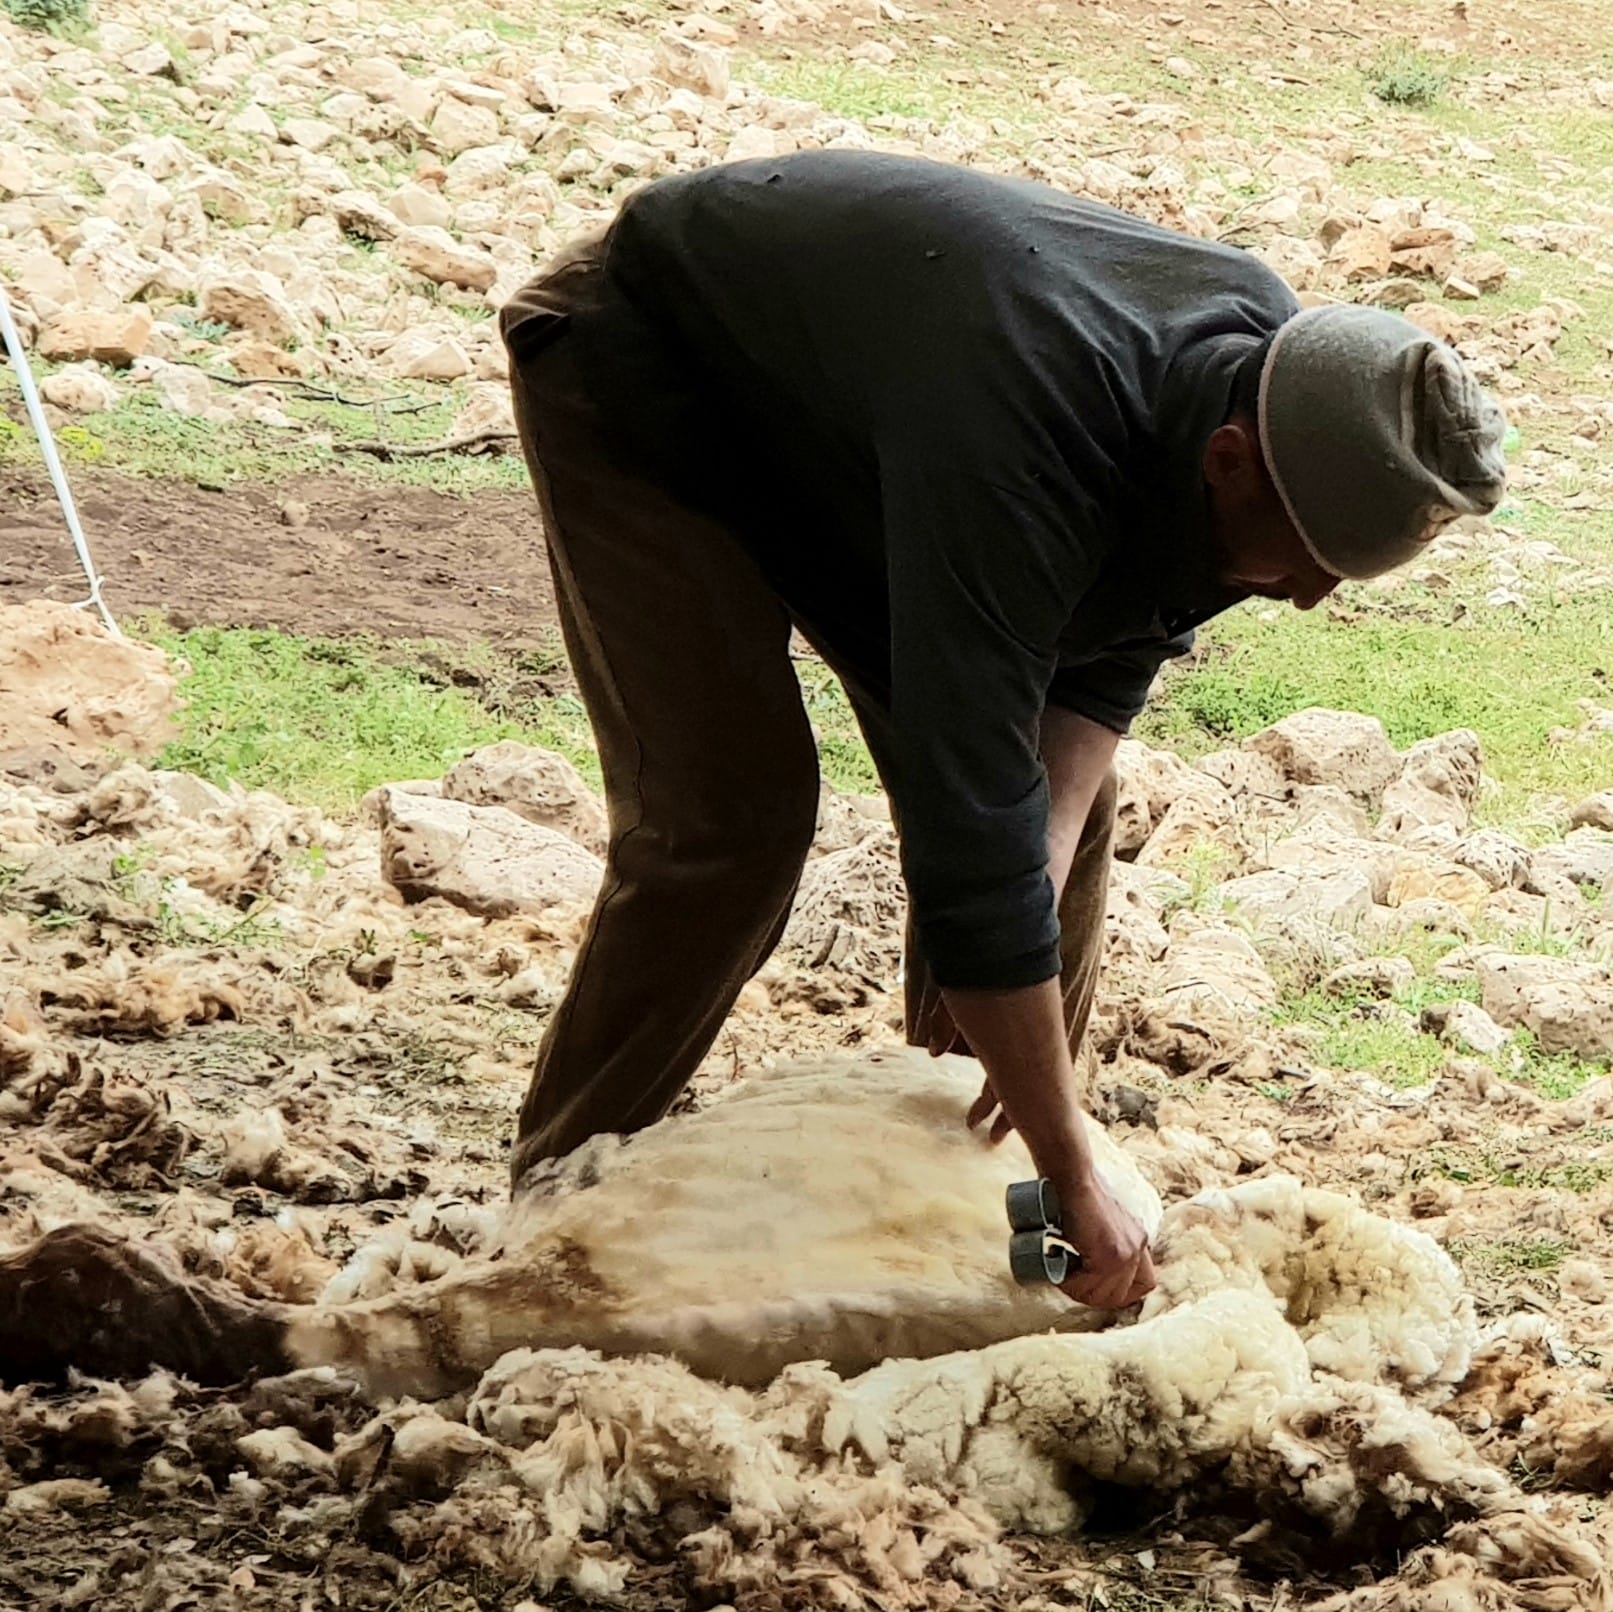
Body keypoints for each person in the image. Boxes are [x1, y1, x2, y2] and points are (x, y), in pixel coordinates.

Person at [497, 150, 1509, 1311]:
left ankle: (985, 1219)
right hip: (651, 371)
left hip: (859, 436)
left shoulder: (1274, 395)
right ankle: (552, 1215)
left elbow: (1116, 647)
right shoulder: (1025, 438)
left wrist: (1039, 849)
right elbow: (963, 812)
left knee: (1052, 830)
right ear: (1226, 460)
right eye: (1299, 564)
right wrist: (1073, 1143)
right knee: (732, 817)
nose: (1304, 597)